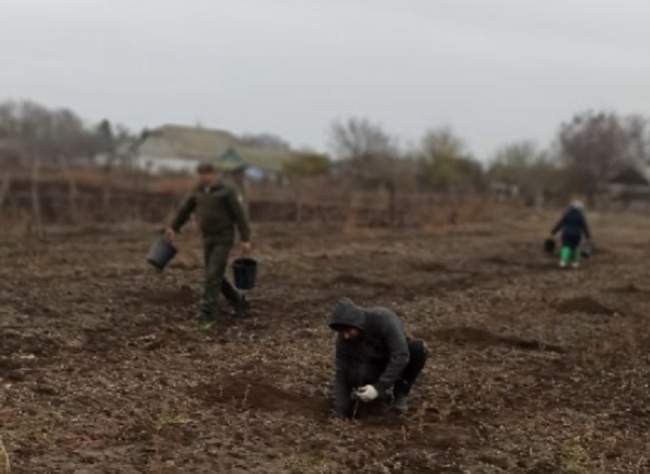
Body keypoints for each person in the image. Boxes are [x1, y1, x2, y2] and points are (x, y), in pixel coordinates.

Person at [165, 162, 252, 327]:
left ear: (214, 174)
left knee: (212, 275)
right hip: (207, 238)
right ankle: (239, 303)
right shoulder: (197, 191)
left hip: (224, 238)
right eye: (200, 174)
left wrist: (245, 238)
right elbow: (185, 210)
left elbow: (240, 215)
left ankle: (206, 315)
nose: (203, 177)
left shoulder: (227, 190)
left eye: (206, 174)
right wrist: (173, 227)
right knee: (214, 274)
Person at [328, 298, 427, 418]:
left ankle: (400, 395)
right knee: (355, 374)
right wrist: (341, 411)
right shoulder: (344, 338)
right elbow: (341, 372)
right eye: (342, 332)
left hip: (390, 362)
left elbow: (400, 355)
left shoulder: (384, 319)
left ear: (357, 323)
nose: (346, 336)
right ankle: (375, 398)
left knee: (417, 349)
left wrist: (378, 388)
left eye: (349, 331)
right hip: (368, 367)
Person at [550, 199, 591, 269]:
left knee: (566, 246)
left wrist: (553, 231)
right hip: (576, 234)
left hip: (566, 234)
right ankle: (575, 263)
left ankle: (563, 262)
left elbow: (560, 224)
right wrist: (588, 235)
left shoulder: (567, 215)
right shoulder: (580, 216)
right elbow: (584, 226)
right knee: (575, 247)